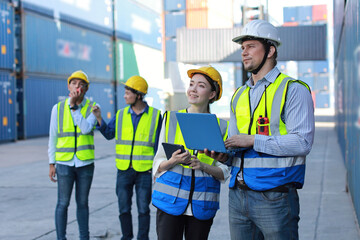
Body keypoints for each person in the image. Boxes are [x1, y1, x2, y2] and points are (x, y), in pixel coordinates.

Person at [213, 20, 315, 240]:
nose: (244, 52)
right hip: (238, 197)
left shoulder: (294, 90)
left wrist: (253, 140)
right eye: (242, 48)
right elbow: (235, 144)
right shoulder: (239, 95)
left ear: (271, 50)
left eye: (250, 46)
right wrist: (224, 156)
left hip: (275, 197)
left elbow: (303, 143)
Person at [152, 66, 230, 240]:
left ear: (212, 94)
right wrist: (172, 161)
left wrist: (203, 166)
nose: (193, 89)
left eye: (201, 85)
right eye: (191, 84)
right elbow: (158, 164)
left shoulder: (222, 127)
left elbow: (225, 172)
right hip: (169, 203)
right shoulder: (170, 119)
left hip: (202, 205)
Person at [92, 76, 162, 240]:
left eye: (127, 92)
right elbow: (109, 134)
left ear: (138, 95)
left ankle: (142, 238)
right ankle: (126, 237)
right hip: (123, 170)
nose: (124, 96)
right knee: (124, 208)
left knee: (144, 208)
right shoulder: (121, 114)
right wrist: (99, 118)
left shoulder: (155, 116)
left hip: (145, 171)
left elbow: (160, 145)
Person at [48, 70, 99, 240]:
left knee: (82, 204)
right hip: (64, 164)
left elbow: (85, 128)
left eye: (81, 84)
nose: (77, 87)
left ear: (86, 89)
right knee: (62, 203)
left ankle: (84, 237)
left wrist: (74, 108)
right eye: (74, 83)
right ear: (68, 86)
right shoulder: (57, 108)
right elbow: (53, 136)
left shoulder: (93, 107)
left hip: (85, 164)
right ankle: (60, 238)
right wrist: (51, 163)